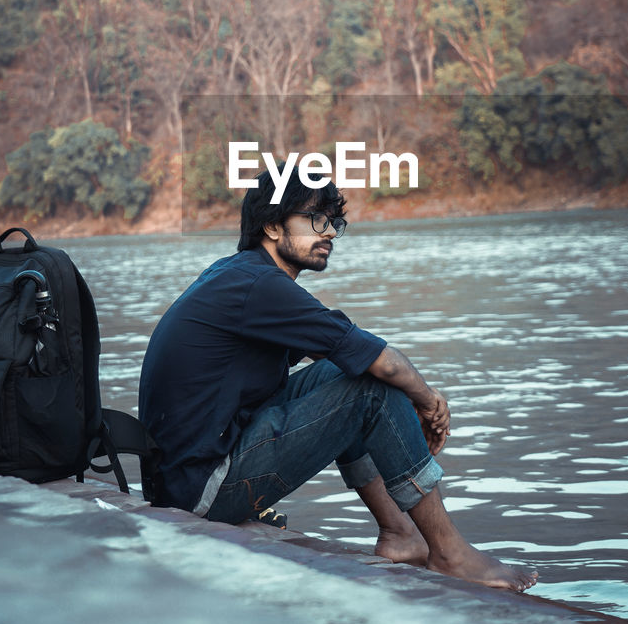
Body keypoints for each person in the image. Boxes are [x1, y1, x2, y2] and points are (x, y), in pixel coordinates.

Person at [139, 168, 537, 593]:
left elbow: (350, 350)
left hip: (184, 475)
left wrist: (405, 404)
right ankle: (448, 553)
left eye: (333, 222)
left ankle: (401, 534)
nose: (328, 232)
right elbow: (383, 363)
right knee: (368, 386)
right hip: (199, 489)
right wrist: (428, 402)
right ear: (272, 226)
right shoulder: (258, 285)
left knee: (350, 370)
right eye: (315, 219)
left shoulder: (242, 276)